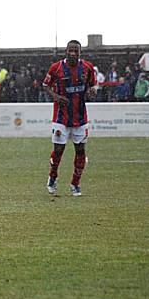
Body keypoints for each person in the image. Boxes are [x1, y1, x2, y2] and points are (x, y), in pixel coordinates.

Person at [43, 40, 97, 197]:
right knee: (58, 150)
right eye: (70, 50)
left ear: (80, 52)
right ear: (66, 51)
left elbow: (92, 86)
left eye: (76, 50)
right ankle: (52, 177)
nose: (73, 53)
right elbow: (45, 85)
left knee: (80, 150)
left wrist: (91, 91)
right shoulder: (56, 68)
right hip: (61, 117)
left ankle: (75, 184)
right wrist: (56, 96)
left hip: (80, 117)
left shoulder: (87, 68)